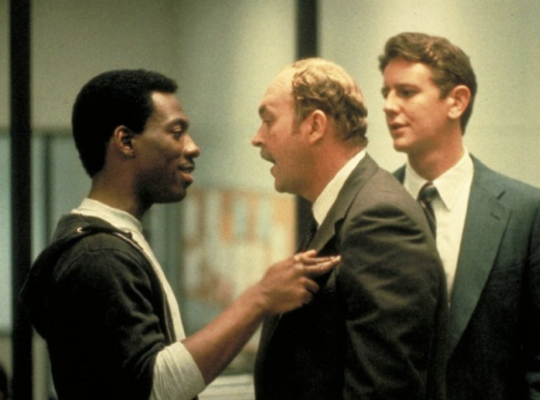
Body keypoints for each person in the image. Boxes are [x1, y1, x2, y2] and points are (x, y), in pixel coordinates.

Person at [19, 69, 340, 400]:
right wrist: (260, 298)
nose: (193, 147)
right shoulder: (100, 256)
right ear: (126, 141)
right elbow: (154, 387)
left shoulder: (113, 240)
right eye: (176, 132)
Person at [251, 58, 447, 400]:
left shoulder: (379, 218)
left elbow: (383, 391)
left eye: (268, 121)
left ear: (315, 126)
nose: (257, 139)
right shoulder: (345, 209)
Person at [379, 32, 540, 400]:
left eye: (406, 92)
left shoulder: (525, 212)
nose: (388, 105)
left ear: (456, 101)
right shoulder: (368, 207)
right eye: (385, 92)